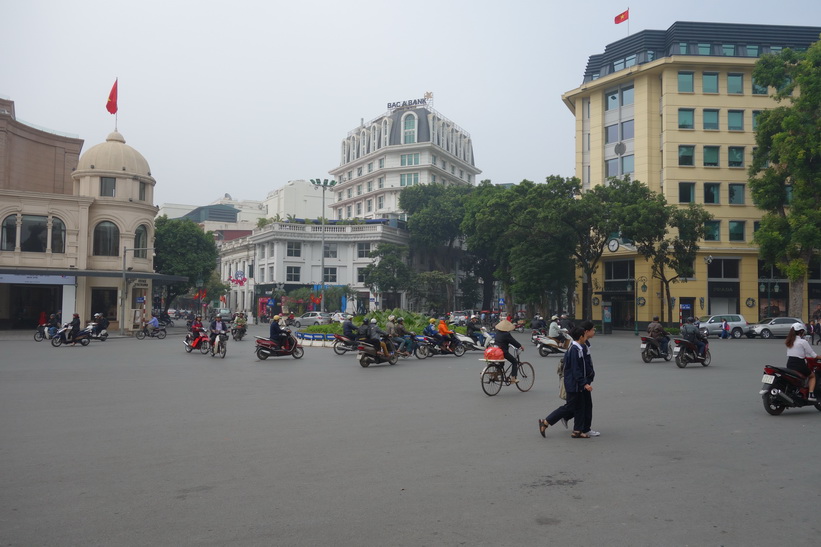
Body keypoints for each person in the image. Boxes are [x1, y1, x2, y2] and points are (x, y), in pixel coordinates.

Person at [539, 323, 596, 438]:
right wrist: (584, 383)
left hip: (577, 384)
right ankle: (546, 421)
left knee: (581, 407)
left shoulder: (580, 347)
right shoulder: (575, 350)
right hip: (573, 384)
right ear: (581, 336)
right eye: (584, 334)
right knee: (570, 407)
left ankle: (577, 431)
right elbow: (576, 370)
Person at [785, 322, 817, 401]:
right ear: (801, 332)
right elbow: (814, 355)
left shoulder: (789, 341)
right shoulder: (803, 342)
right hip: (799, 365)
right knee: (812, 376)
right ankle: (811, 394)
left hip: (789, 364)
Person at [494, 318, 523, 383]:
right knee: (514, 362)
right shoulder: (506, 334)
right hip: (502, 351)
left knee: (501, 363)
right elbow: (513, 341)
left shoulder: (498, 332)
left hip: (496, 350)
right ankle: (513, 378)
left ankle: (496, 374)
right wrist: (520, 346)